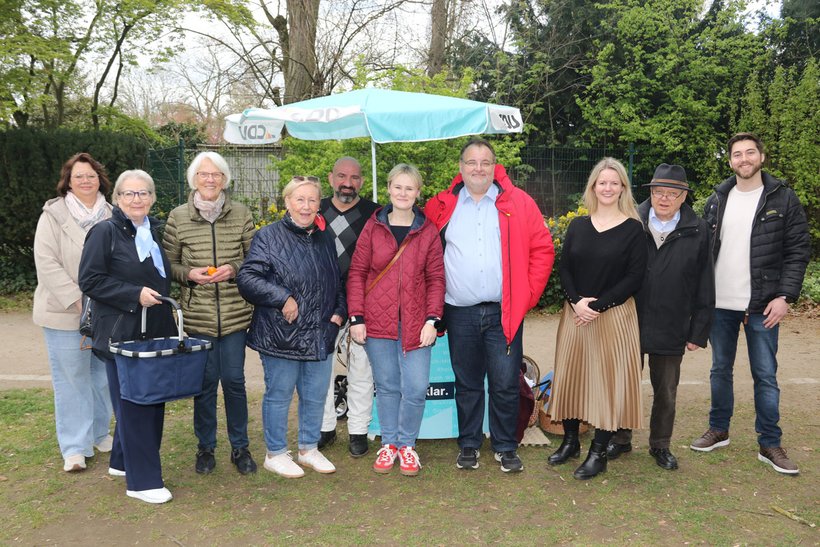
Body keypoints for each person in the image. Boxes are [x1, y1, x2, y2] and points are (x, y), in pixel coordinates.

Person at [424, 138, 554, 473]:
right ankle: (468, 444)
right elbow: (424, 256)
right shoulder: (441, 206)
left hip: (504, 312)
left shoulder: (518, 202)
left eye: (485, 162)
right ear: (461, 167)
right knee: (467, 383)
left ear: (494, 166)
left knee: (505, 382)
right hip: (460, 311)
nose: (478, 168)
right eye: (471, 162)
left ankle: (505, 445)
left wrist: (526, 298)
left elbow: (542, 250)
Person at [690, 133, 810, 475]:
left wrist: (785, 296)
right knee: (719, 370)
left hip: (763, 305)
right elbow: (704, 252)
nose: (744, 159)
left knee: (765, 375)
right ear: (730, 161)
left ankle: (770, 443)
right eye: (737, 154)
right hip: (721, 304)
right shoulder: (717, 199)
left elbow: (798, 251)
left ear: (761, 156)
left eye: (750, 152)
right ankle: (718, 429)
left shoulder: (783, 198)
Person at [606, 164, 714, 470]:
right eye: (658, 192)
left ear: (683, 197)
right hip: (630, 317)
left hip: (673, 320)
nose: (664, 198)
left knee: (666, 389)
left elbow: (705, 280)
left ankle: (660, 444)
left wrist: (698, 331)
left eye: (672, 193)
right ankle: (620, 437)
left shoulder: (699, 229)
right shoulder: (629, 220)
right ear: (650, 193)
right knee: (624, 382)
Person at [79, 169, 177, 504]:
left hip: (154, 331)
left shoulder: (152, 232)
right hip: (122, 334)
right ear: (118, 199)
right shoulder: (104, 232)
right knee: (136, 406)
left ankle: (122, 462)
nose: (137, 199)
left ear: (152, 198)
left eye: (143, 193)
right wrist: (133, 293)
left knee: (148, 399)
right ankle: (143, 481)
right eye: (129, 194)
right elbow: (90, 281)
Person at [237, 176, 346, 479]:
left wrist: (338, 313)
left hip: (319, 331)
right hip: (280, 333)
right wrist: (282, 296)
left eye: (312, 200)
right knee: (280, 393)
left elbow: (337, 280)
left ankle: (309, 448)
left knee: (314, 394)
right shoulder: (268, 236)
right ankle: (275, 453)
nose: (306, 206)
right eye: (300, 199)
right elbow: (247, 278)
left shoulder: (325, 237)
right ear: (287, 202)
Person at [547, 157, 647, 480]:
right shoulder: (577, 225)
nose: (607, 187)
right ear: (593, 187)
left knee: (606, 384)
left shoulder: (633, 229)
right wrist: (576, 302)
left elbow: (635, 277)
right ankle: (571, 441)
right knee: (572, 376)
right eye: (602, 182)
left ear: (622, 189)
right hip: (576, 315)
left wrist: (597, 306)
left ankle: (598, 452)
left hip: (614, 317)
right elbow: (564, 269)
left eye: (614, 183)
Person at [347, 164, 445, 476]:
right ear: (389, 189)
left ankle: (407, 445)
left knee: (415, 387)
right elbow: (358, 273)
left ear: (418, 193)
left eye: (410, 188)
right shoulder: (372, 227)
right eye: (398, 187)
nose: (403, 193)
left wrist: (433, 319)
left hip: (417, 322)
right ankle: (389, 444)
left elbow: (436, 279)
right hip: (377, 321)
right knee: (388, 386)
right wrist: (356, 317)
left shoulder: (427, 230)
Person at [162, 152, 257, 476]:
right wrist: (189, 274)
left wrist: (234, 268)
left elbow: (255, 260)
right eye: (204, 174)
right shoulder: (178, 217)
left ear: (225, 178)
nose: (210, 179)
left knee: (233, 381)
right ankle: (206, 447)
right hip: (197, 316)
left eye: (216, 174)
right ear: (194, 179)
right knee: (204, 384)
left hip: (234, 315)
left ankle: (240, 447)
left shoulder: (241, 214)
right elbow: (168, 265)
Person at [33, 153, 114, 473]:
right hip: (65, 312)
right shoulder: (53, 214)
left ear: (100, 179)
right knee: (71, 380)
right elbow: (46, 261)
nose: (85, 181)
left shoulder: (113, 212)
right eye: (78, 176)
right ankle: (74, 447)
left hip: (106, 311)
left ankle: (98, 432)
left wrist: (106, 299)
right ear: (68, 181)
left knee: (103, 377)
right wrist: (79, 300)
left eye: (91, 175)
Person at [318, 157, 380, 457]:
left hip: (362, 303)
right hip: (321, 304)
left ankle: (358, 430)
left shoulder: (376, 214)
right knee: (321, 368)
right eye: (341, 176)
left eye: (354, 178)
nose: (347, 183)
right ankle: (325, 427)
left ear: (362, 182)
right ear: (331, 178)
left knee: (362, 369)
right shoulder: (314, 210)